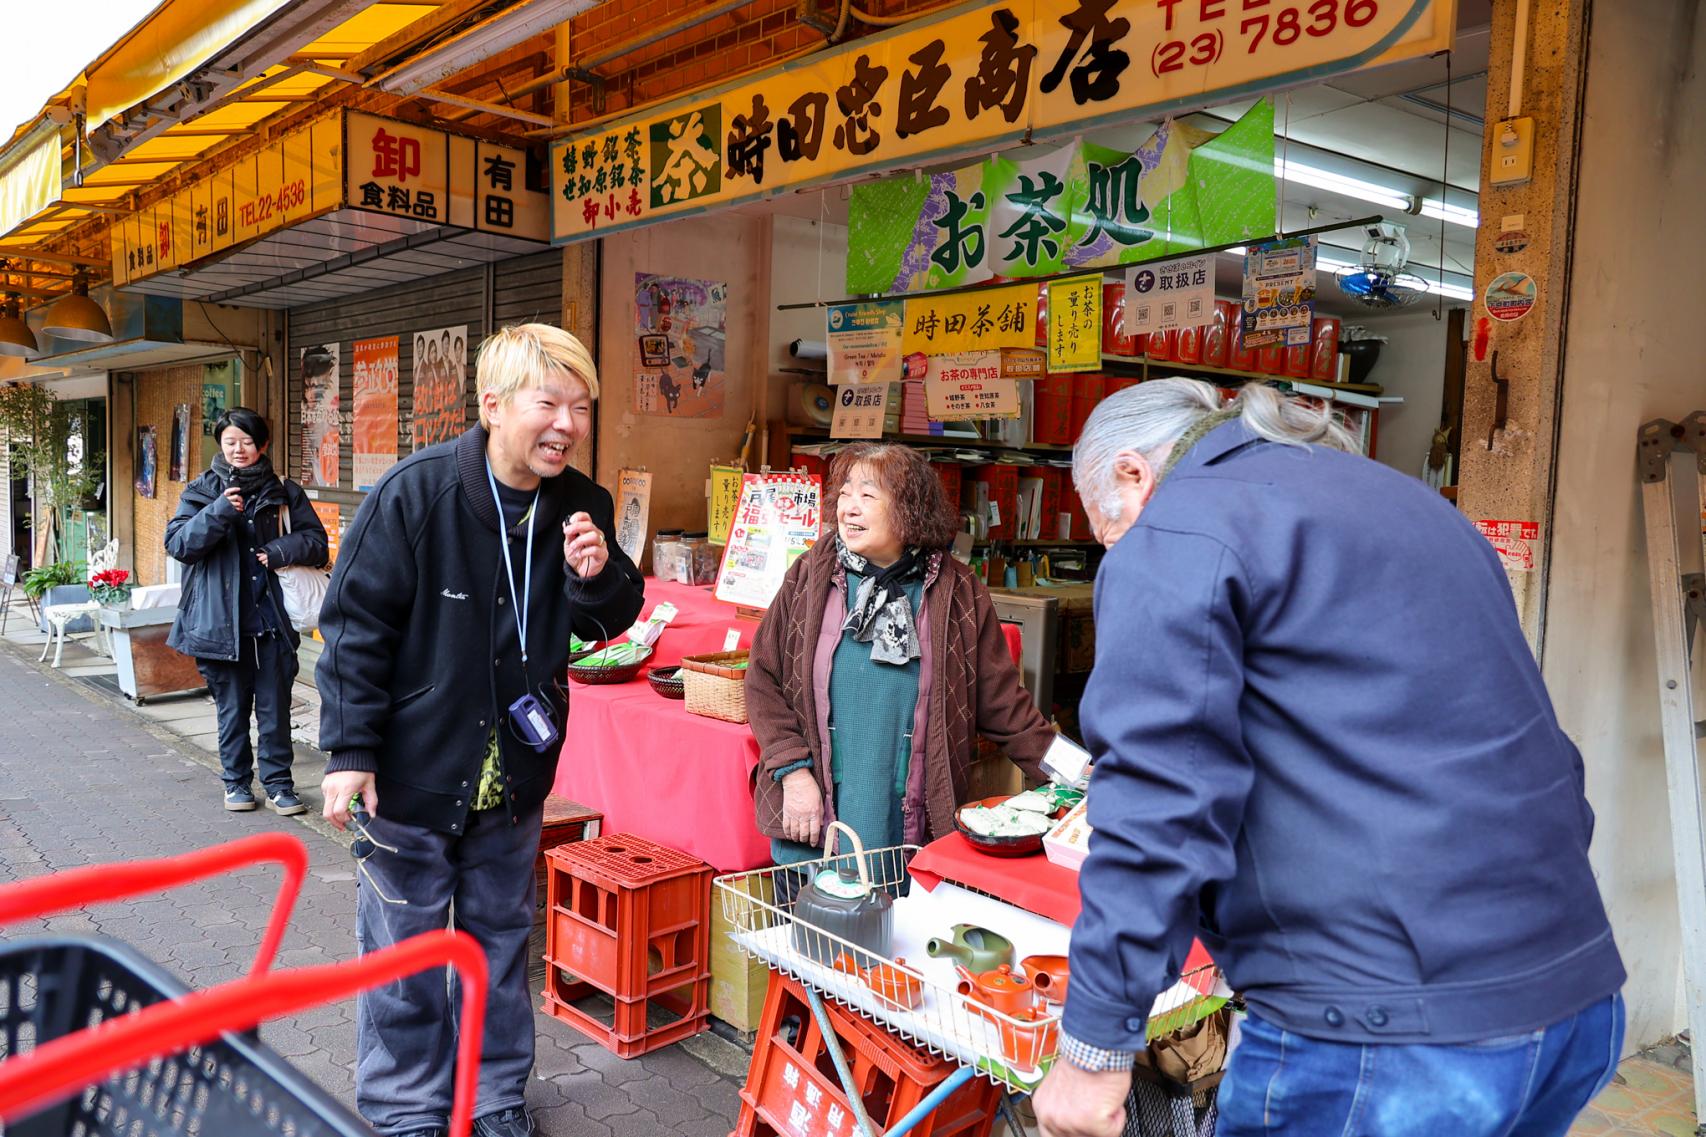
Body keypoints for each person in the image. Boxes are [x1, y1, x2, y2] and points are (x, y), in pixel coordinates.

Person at [1033, 380, 1625, 1137]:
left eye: (1105, 528)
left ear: (1131, 473)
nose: (1115, 547)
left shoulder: (1180, 529)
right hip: (1570, 990)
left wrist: (1092, 1044)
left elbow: (1160, 792)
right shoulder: (1407, 502)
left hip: (1384, 1031)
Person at [316, 323, 644, 1137]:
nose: (567, 422)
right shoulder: (415, 493)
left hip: (514, 782)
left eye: (581, 406)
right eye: (550, 402)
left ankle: (495, 1099)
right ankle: (405, 1110)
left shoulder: (581, 505)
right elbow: (355, 626)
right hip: (412, 775)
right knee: (407, 958)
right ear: (493, 406)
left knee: (500, 952)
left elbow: (615, 616)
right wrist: (350, 752)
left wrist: (597, 575)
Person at [746, 443, 1055, 863]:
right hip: (817, 812)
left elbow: (1008, 709)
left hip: (909, 818)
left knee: (899, 917)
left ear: (910, 510)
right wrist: (793, 773)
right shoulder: (810, 575)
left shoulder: (957, 590)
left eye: (868, 496)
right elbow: (763, 677)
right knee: (819, 922)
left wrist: (1076, 774)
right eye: (846, 494)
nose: (849, 509)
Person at [166, 407, 327, 814]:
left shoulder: (285, 491)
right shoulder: (201, 491)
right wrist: (220, 511)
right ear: (220, 445)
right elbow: (180, 545)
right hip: (223, 626)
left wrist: (276, 551)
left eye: (247, 442)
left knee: (276, 713)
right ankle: (236, 783)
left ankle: (279, 785)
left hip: (272, 625)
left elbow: (317, 543)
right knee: (232, 713)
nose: (239, 449)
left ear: (263, 445)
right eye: (230, 442)